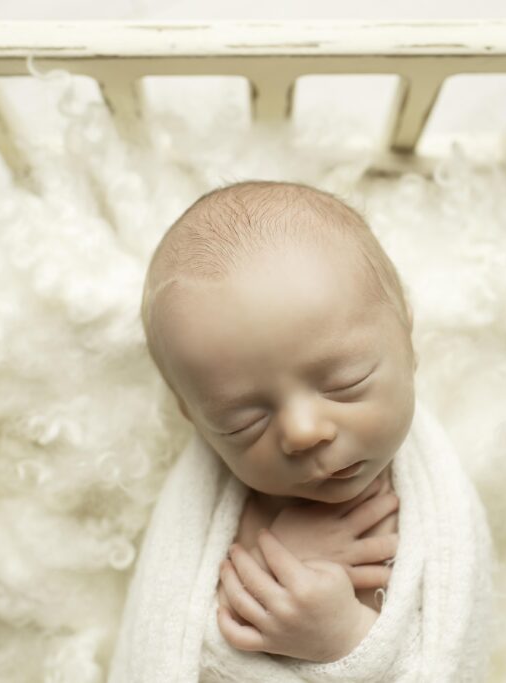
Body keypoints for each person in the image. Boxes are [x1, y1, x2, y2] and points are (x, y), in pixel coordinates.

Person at [139, 179, 418, 663]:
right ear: (196, 420)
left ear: (408, 339)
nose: (303, 432)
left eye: (345, 383)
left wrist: (348, 640)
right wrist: (275, 564)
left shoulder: (432, 496)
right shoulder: (228, 521)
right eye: (242, 423)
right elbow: (187, 646)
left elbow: (443, 652)